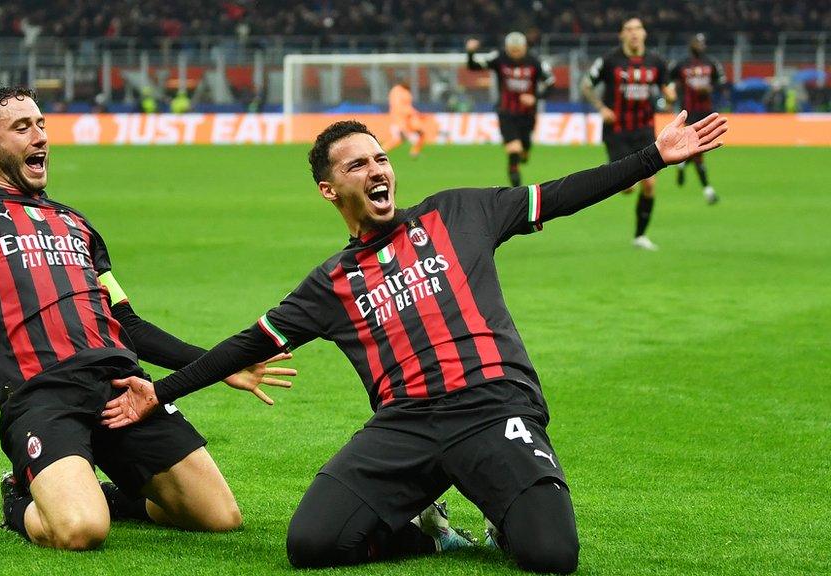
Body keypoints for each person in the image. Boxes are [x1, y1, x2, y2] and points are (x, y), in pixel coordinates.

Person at [101, 112, 728, 573]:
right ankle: (429, 532)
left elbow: (560, 196)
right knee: (313, 546)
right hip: (404, 425)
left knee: (552, 555)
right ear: (330, 189)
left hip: (493, 405)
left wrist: (653, 156)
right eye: (357, 165)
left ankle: (504, 503)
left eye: (380, 159)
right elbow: (248, 344)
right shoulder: (331, 284)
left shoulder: (460, 212)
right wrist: (160, 392)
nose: (376, 171)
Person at [0, 86, 295, 550]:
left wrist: (221, 365)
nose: (39, 137)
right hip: (42, 392)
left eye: (41, 124)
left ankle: (104, 494)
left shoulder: (76, 223)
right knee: (81, 531)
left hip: (122, 386)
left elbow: (130, 326)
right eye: (22, 128)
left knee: (218, 517)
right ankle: (19, 498)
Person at [581, 17, 676, 251]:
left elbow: (668, 88)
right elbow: (586, 85)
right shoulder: (609, 61)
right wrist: (601, 108)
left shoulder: (657, 61)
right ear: (621, 35)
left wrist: (670, 95)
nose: (634, 33)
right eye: (629, 29)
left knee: (650, 185)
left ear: (644, 34)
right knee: (628, 187)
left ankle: (640, 236)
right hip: (617, 131)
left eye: (638, 29)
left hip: (644, 130)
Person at [466, 32, 555, 187]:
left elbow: (551, 83)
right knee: (514, 150)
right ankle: (518, 192)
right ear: (506, 48)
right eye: (511, 50)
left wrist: (536, 97)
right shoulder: (499, 58)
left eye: (518, 50)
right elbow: (474, 67)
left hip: (528, 115)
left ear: (524, 48)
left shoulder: (536, 62)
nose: (514, 54)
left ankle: (525, 152)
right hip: (506, 112)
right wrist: (471, 52)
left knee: (524, 148)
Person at [669, 33, 727, 204]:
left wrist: (710, 88)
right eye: (697, 42)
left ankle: (681, 164)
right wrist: (671, 93)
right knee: (698, 149)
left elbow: (722, 82)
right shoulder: (681, 64)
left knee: (697, 149)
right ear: (691, 44)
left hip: (706, 112)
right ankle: (708, 190)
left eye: (702, 43)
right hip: (688, 112)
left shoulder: (711, 62)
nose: (700, 45)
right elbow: (668, 81)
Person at [384, 78, 425, 159]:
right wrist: (411, 113)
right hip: (399, 120)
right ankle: (382, 151)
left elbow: (408, 106)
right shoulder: (396, 91)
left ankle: (414, 152)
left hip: (408, 120)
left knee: (421, 133)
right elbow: (398, 107)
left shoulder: (405, 92)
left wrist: (416, 113)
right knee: (398, 139)